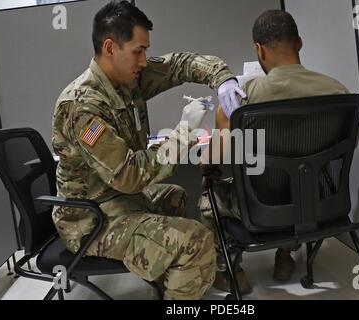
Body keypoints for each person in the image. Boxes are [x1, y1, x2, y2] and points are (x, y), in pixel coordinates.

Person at [51, 0, 246, 300]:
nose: (144, 60)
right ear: (110, 48)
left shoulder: (126, 80)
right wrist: (183, 134)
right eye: (138, 51)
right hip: (90, 220)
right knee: (197, 241)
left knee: (176, 197)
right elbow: (127, 175)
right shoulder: (83, 105)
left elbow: (179, 65)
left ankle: (173, 286)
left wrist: (223, 78)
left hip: (118, 201)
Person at [199, 9, 350, 294]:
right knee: (294, 182)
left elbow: (215, 159)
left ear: (259, 48)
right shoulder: (338, 91)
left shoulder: (242, 99)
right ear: (300, 43)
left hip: (261, 209)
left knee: (209, 198)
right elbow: (347, 147)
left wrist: (207, 168)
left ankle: (231, 271)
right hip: (319, 204)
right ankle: (285, 256)